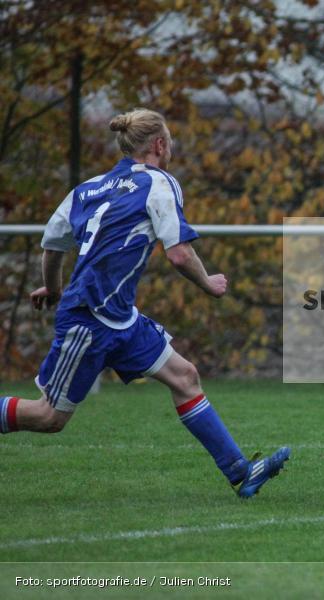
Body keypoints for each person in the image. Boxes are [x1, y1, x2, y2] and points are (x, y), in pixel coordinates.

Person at [0, 108, 290, 498]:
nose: (171, 149)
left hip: (119, 318)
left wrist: (50, 288)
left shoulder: (86, 189)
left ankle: (241, 472)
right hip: (89, 319)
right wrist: (209, 284)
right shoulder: (159, 183)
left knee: (185, 377)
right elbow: (179, 255)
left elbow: (52, 245)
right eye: (169, 142)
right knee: (49, 417)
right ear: (159, 144)